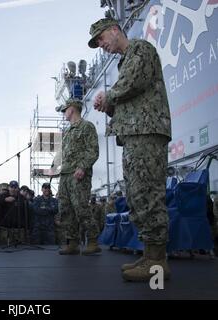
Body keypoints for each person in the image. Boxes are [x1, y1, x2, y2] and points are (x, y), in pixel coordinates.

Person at [90, 18, 172, 281]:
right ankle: (151, 256)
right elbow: (128, 99)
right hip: (135, 135)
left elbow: (133, 81)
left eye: (101, 38)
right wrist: (110, 104)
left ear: (115, 30)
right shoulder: (125, 60)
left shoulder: (140, 49)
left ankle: (158, 263)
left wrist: (109, 96)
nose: (101, 45)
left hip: (147, 133)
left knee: (148, 193)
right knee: (138, 196)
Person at [56, 99, 100, 255]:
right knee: (65, 209)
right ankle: (72, 242)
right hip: (65, 174)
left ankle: (93, 241)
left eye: (64, 110)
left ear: (72, 109)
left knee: (81, 207)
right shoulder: (68, 131)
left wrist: (82, 166)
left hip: (78, 174)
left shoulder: (86, 126)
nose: (63, 113)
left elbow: (93, 150)